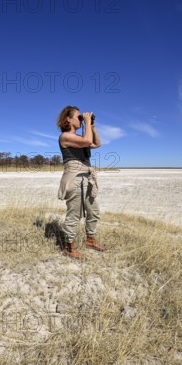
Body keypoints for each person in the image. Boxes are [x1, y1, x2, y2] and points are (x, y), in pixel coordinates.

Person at [56, 105, 106, 259]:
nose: (80, 120)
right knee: (74, 215)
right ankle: (69, 248)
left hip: (86, 178)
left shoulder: (80, 138)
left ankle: (90, 240)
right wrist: (86, 122)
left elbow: (97, 143)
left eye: (81, 117)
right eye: (78, 117)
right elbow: (87, 140)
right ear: (68, 119)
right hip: (75, 179)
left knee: (93, 211)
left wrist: (91, 125)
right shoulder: (65, 136)